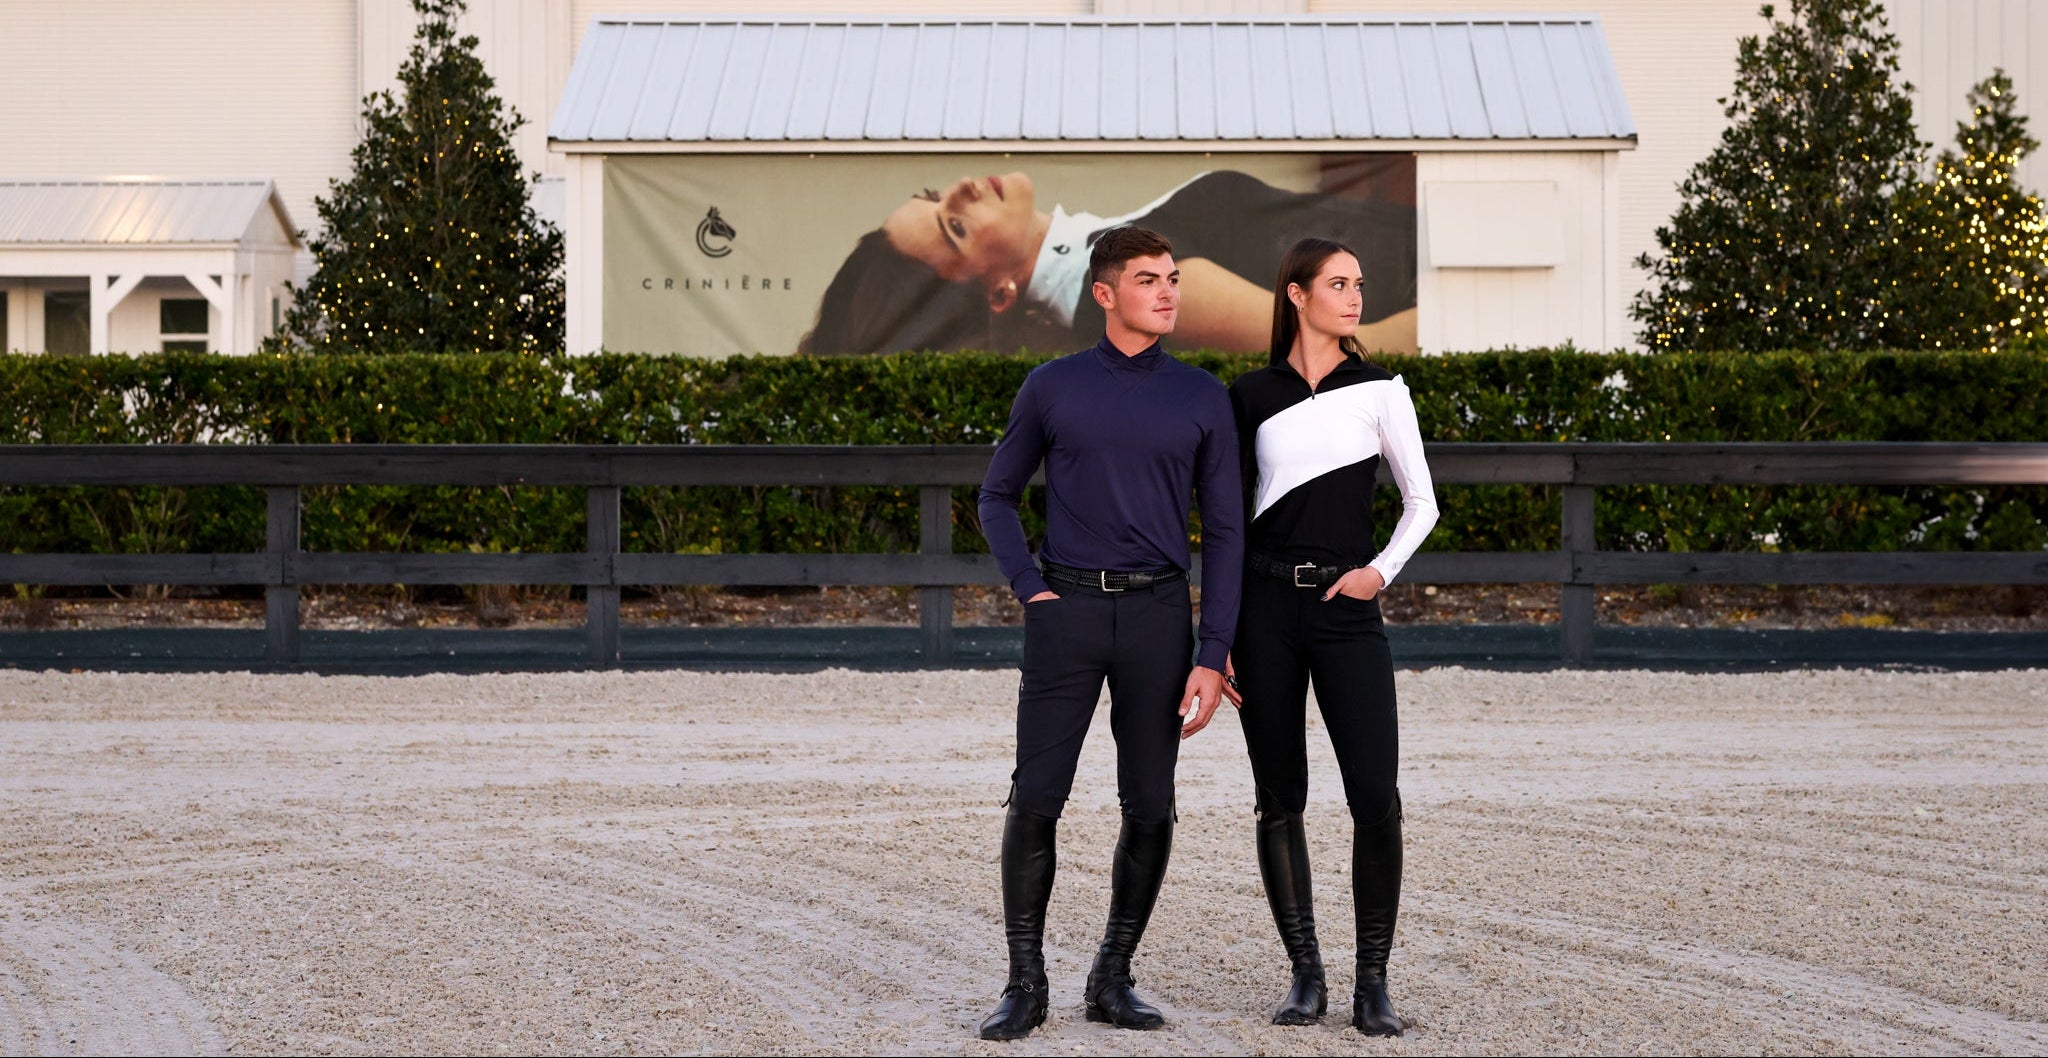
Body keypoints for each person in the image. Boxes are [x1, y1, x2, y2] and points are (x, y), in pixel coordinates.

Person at [973, 225, 1243, 1041]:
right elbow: (996, 495)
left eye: (1173, 278)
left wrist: (1213, 650)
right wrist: (1030, 587)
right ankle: (1025, 983)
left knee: (1152, 804)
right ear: (1104, 293)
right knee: (1037, 798)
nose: (1167, 292)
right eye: (1149, 279)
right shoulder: (1052, 387)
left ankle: (1112, 974)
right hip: (1067, 614)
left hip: (1159, 619)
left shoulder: (1202, 396)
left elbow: (1226, 530)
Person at [1221, 237, 1438, 1035]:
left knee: (1375, 796)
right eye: (1338, 284)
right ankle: (1305, 976)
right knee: (1279, 798)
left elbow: (1422, 502)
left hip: (1348, 613)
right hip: (1263, 612)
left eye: (1358, 284)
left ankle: (1372, 984)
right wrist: (1220, 633)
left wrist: (1378, 573)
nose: (1354, 296)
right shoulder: (1248, 396)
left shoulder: (1381, 390)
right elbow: (1227, 521)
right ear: (1297, 293)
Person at [800, 169, 1417, 355]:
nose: (961, 188)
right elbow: (1353, 349)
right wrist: (1466, 286)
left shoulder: (1101, 251)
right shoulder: (1121, 282)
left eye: (935, 196)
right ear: (999, 294)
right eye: (955, 227)